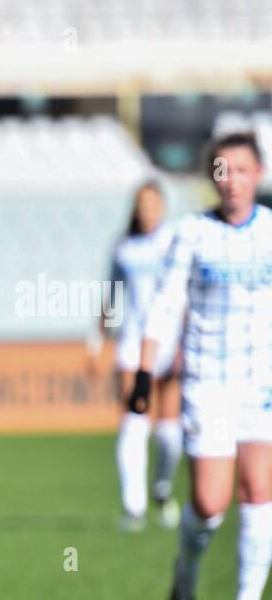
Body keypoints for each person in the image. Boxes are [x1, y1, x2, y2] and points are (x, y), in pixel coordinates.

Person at [130, 131, 272, 600]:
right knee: (210, 503)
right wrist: (145, 372)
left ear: (258, 174)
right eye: (221, 171)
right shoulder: (191, 233)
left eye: (241, 170)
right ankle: (186, 574)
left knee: (259, 490)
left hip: (262, 384)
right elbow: (165, 304)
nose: (231, 180)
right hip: (209, 382)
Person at [91, 181, 182, 531]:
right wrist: (95, 344)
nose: (146, 210)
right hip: (132, 344)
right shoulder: (124, 247)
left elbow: (186, 292)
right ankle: (134, 506)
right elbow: (111, 298)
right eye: (140, 204)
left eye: (152, 204)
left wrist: (186, 341)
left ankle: (161, 487)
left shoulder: (175, 241)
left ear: (162, 207)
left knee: (170, 433)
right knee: (134, 420)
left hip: (168, 343)